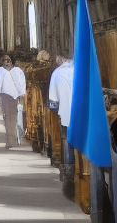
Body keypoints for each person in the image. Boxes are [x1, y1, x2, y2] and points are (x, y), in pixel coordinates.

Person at [48, 54, 75, 200]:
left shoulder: (57, 73)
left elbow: (53, 102)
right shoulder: (80, 71)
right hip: (83, 115)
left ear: (61, 59)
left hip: (66, 115)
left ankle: (69, 175)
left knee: (67, 141)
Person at [0, 54, 26, 149]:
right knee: (8, 119)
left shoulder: (18, 71)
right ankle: (11, 141)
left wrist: (21, 93)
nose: (6, 62)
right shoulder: (0, 71)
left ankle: (15, 139)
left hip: (16, 96)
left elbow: (22, 83)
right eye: (4, 60)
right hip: (6, 96)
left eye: (8, 60)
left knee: (16, 119)